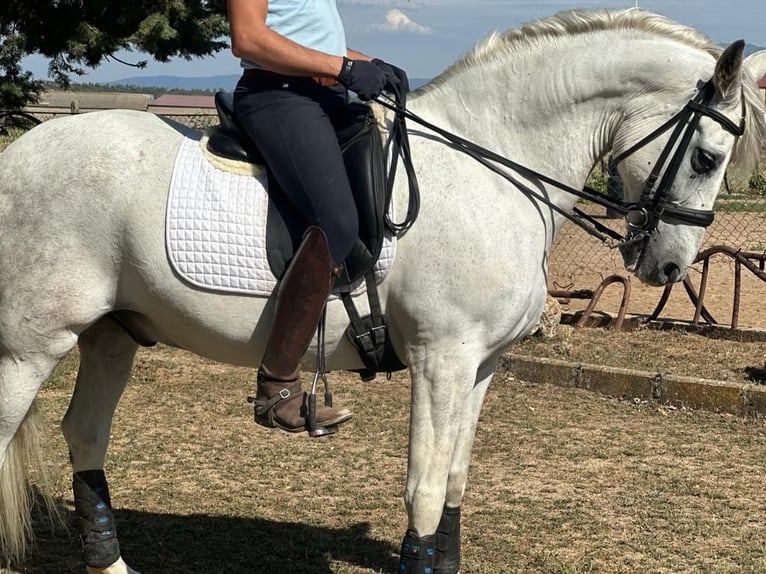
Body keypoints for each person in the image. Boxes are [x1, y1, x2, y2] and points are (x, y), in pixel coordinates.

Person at [226, 0, 407, 434]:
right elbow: (248, 37)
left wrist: (369, 63)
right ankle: (277, 388)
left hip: (324, 97)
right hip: (277, 97)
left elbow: (312, 41)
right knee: (336, 222)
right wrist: (344, 69)